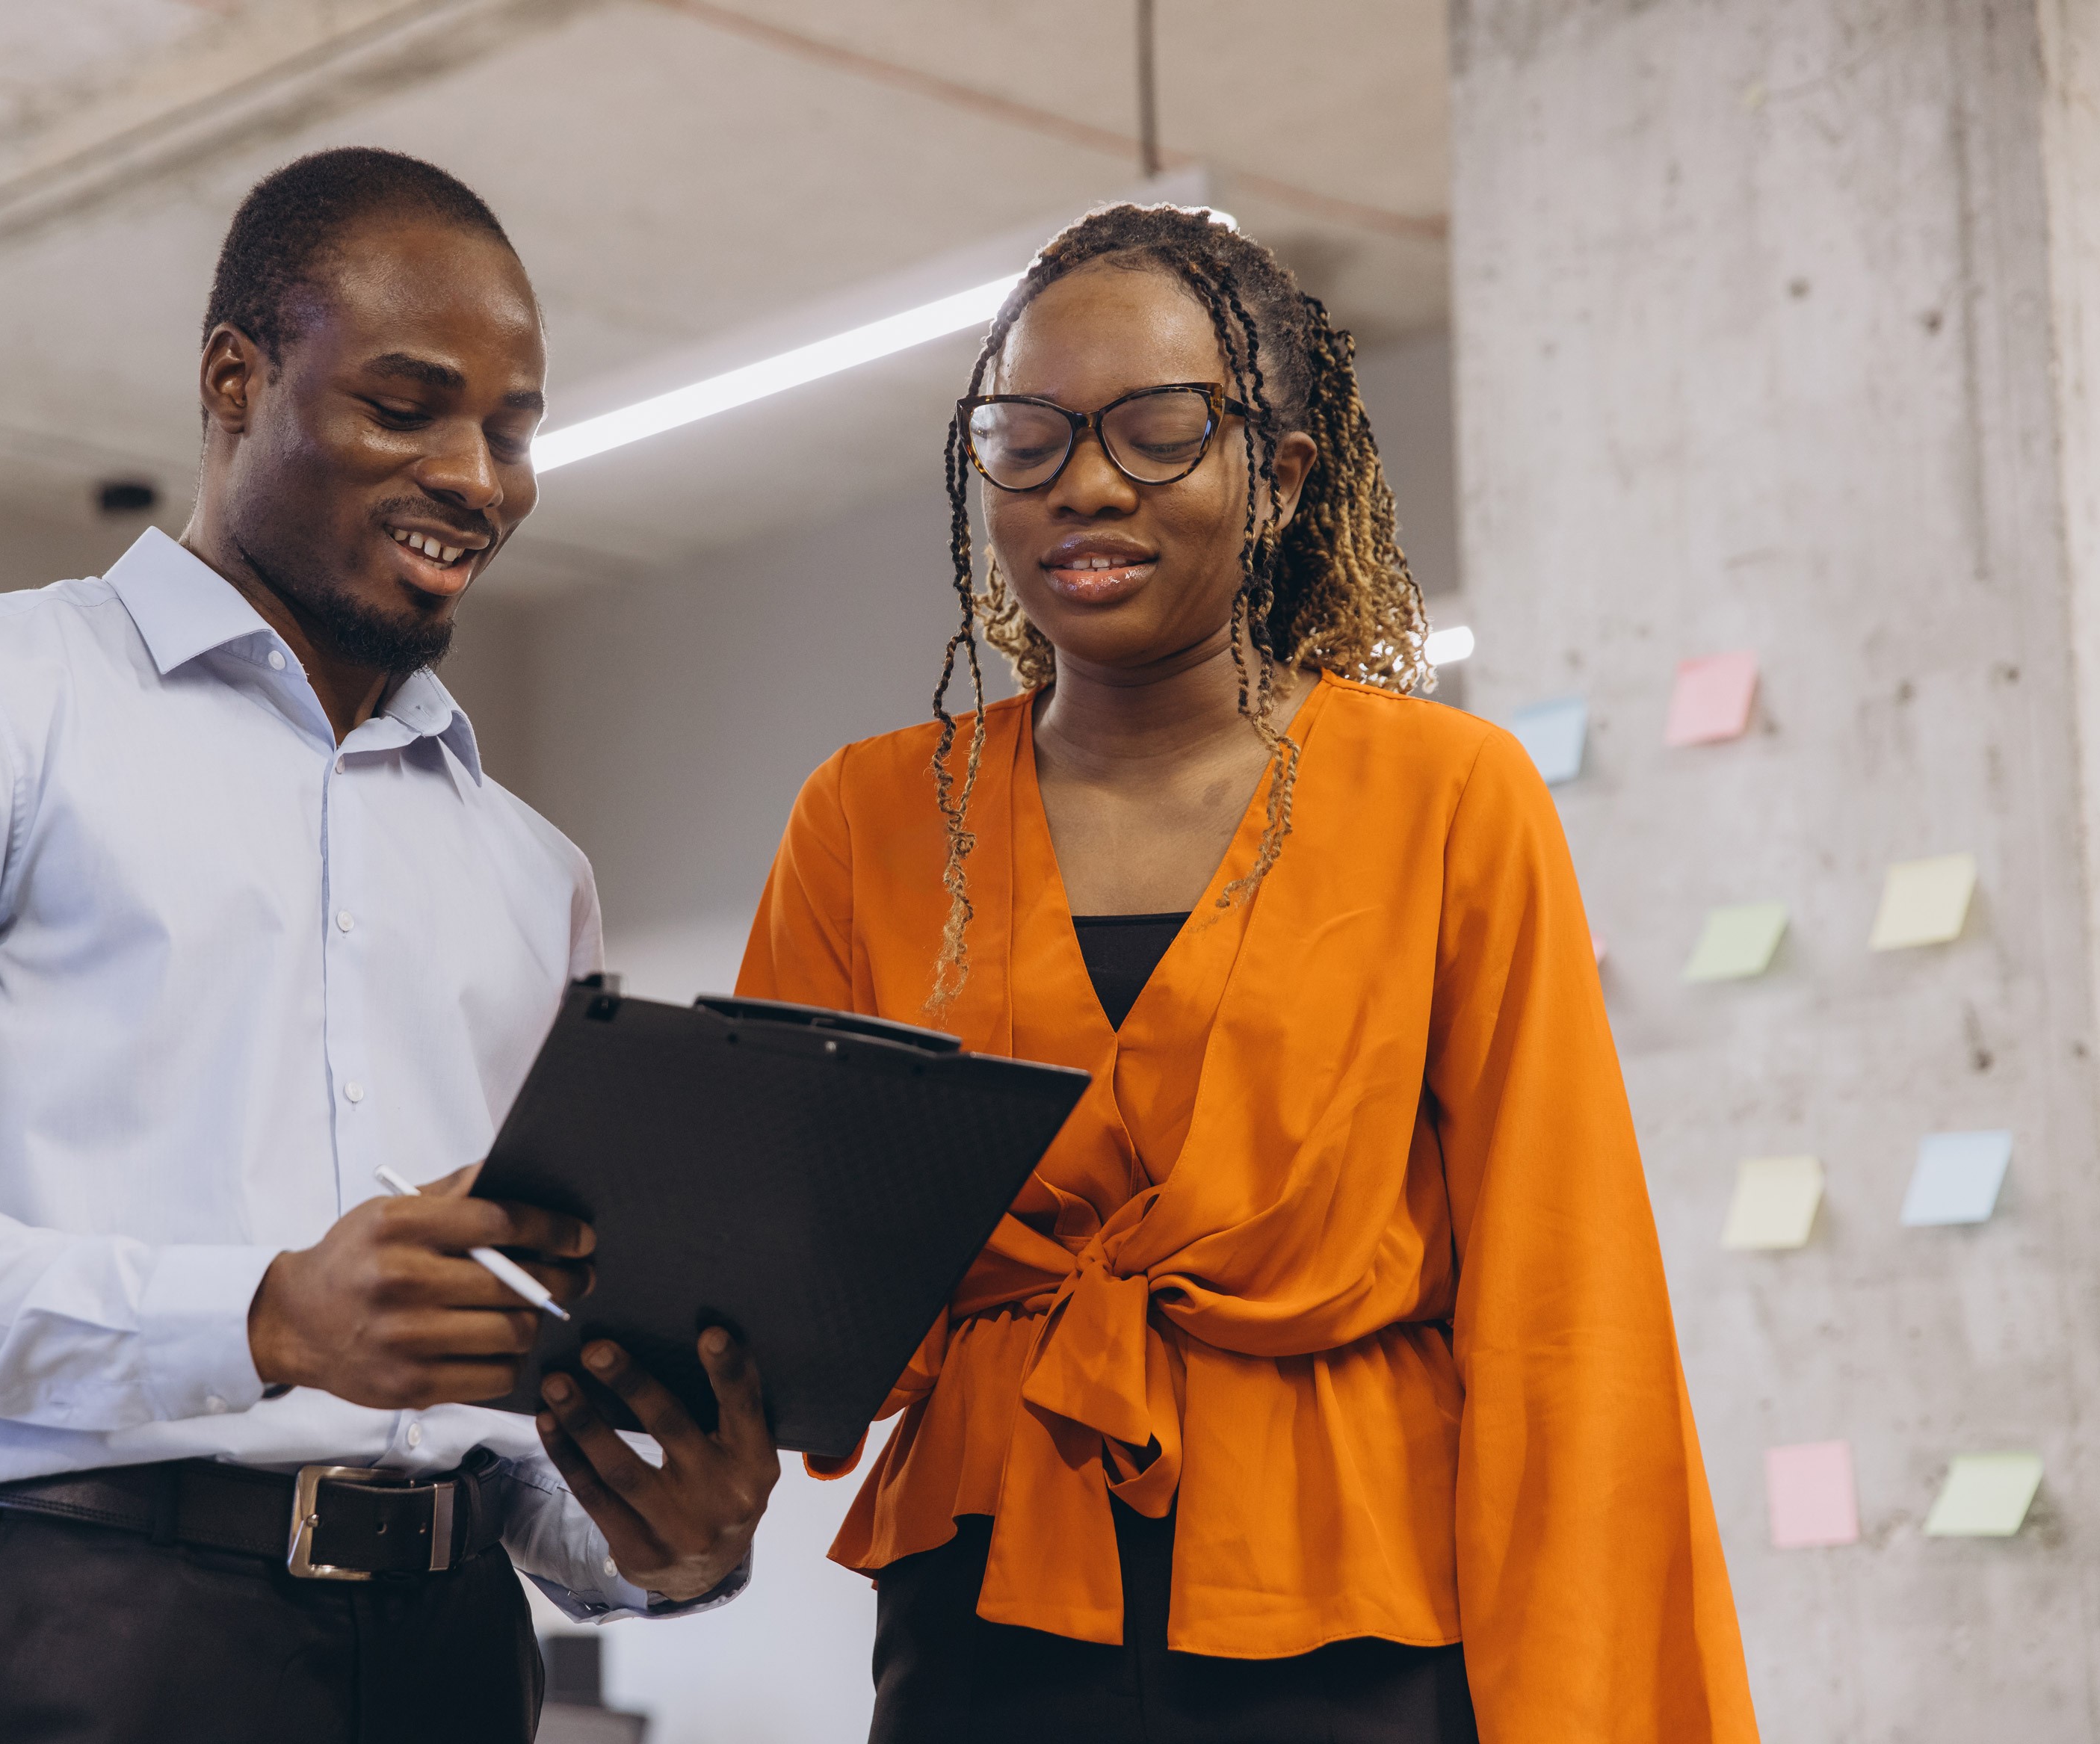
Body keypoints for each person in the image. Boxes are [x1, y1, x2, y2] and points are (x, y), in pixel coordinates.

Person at [0, 148, 776, 1744]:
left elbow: (509, 1399)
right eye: (407, 405)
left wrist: (659, 1543)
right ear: (235, 380)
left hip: (457, 1657)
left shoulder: (531, 872)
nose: (478, 478)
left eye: (512, 428)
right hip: (78, 1626)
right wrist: (261, 1314)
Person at [737, 202, 1759, 1743]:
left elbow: (1561, 1314)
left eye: (1158, 432)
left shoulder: (1446, 798)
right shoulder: (868, 819)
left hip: (1347, 1619)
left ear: (1276, 476)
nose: (1084, 483)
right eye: (1025, 434)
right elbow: (776, 1274)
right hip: (989, 1624)